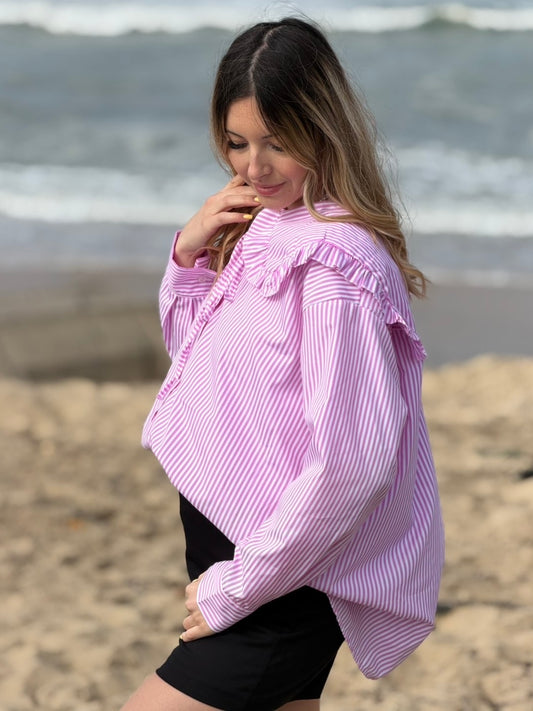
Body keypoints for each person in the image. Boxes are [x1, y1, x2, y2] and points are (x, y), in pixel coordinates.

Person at [121, 16, 444, 711]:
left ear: (323, 131)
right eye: (237, 143)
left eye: (278, 142)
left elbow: (353, 463)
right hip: (249, 560)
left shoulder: (332, 265)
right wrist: (189, 257)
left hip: (279, 581)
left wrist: (239, 586)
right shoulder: (269, 223)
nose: (254, 168)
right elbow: (199, 365)